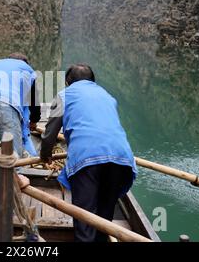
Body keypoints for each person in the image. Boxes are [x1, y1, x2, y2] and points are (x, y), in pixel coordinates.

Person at [40, 63, 137, 242]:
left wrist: (45, 155)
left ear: (68, 82)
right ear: (93, 80)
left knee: (84, 216)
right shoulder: (108, 96)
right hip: (121, 155)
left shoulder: (64, 95)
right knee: (104, 215)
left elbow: (50, 132)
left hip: (86, 156)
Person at [0, 53, 41, 158]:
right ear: (25, 63)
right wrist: (34, 121)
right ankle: (17, 172)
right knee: (13, 154)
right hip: (6, 104)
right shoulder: (27, 70)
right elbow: (34, 101)